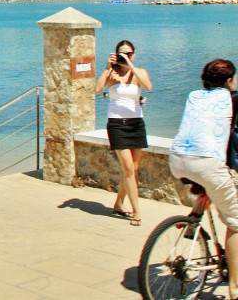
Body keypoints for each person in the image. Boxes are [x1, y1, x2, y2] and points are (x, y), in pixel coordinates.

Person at [168, 59, 238, 298]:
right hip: (207, 163)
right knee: (235, 223)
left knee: (208, 183)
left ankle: (194, 218)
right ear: (229, 80)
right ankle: (235, 287)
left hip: (177, 159)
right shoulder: (232, 98)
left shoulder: (194, 96)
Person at [94, 40, 152, 226]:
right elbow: (98, 89)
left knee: (133, 170)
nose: (124, 56)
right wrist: (106, 67)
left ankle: (119, 203)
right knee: (128, 169)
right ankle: (136, 212)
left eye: (128, 53)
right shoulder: (112, 73)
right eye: (121, 53)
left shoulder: (139, 72)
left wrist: (131, 66)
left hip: (137, 124)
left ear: (134, 54)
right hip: (117, 125)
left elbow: (148, 87)